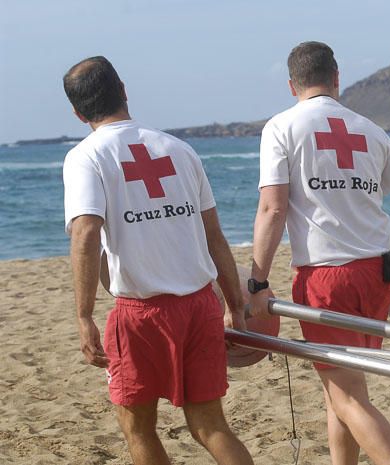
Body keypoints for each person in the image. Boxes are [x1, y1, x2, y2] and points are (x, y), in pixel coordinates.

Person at [249, 41, 390, 465]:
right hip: (379, 275)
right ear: (337, 79)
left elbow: (273, 208)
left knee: (347, 396)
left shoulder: (281, 128)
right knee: (341, 390)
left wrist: (257, 282)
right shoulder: (369, 129)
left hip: (327, 278)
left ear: (291, 85)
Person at [62, 56, 254, 465]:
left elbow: (86, 233)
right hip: (202, 305)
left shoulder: (87, 156)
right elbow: (213, 235)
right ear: (124, 91)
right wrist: (235, 304)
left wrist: (83, 315)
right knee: (210, 426)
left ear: (78, 113)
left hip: (141, 314)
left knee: (138, 428)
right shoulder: (178, 149)